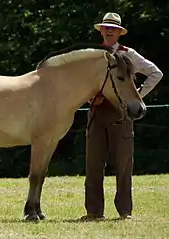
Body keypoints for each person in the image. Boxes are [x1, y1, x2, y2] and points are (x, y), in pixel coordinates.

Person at [81, 12, 163, 221]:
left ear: (119, 32)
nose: (109, 30)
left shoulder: (129, 54)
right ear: (101, 30)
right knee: (93, 164)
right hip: (97, 113)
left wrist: (136, 96)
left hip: (122, 113)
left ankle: (125, 212)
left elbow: (156, 73)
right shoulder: (93, 54)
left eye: (113, 27)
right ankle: (93, 212)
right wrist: (89, 98)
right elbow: (83, 83)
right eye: (106, 27)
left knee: (124, 163)